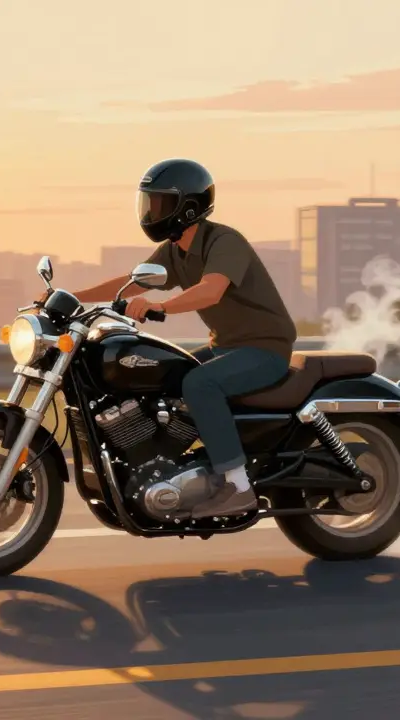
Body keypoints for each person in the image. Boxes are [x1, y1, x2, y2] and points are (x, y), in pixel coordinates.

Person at [71, 158, 297, 517]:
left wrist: (160, 307)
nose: (151, 212)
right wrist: (72, 296)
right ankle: (180, 470)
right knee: (169, 376)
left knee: (200, 384)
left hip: (264, 349)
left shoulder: (224, 241)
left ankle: (237, 485)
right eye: (150, 202)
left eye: (160, 203)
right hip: (225, 347)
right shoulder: (175, 250)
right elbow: (132, 281)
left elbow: (211, 290)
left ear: (187, 206)